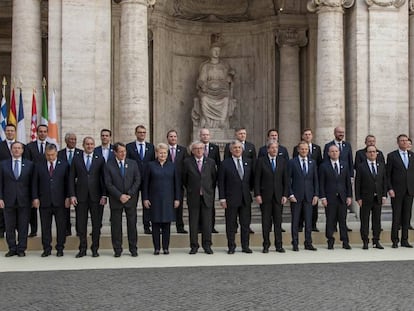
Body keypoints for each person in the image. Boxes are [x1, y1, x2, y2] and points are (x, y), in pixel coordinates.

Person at [69, 137, 107, 258]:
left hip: (96, 197)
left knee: (96, 224)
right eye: (87, 144)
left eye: (91, 144)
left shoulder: (100, 159)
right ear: (83, 145)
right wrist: (72, 195)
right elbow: (71, 178)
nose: (89, 146)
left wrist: (104, 195)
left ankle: (95, 248)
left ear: (94, 145)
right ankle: (82, 248)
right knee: (81, 224)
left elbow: (104, 178)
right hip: (81, 196)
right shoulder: (76, 158)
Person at [32, 144, 70, 257]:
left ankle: (60, 248)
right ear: (45, 154)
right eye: (48, 155)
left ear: (56, 153)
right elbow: (34, 183)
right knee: (45, 226)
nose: (50, 157)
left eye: (52, 155)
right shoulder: (39, 165)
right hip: (44, 201)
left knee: (61, 226)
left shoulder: (64, 165)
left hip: (60, 201)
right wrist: (35, 197)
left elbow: (68, 183)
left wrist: (68, 197)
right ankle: (47, 248)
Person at [143, 143, 180, 255]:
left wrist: (177, 198)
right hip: (154, 199)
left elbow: (177, 184)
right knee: (155, 224)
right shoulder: (150, 165)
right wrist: (145, 198)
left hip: (168, 199)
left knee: (166, 225)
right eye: (160, 152)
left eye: (164, 153)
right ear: (156, 153)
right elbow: (145, 184)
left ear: (167, 154)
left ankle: (166, 247)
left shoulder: (172, 166)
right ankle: (157, 248)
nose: (162, 154)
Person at [104, 142, 141, 257]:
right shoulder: (109, 165)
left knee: (132, 224)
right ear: (115, 152)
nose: (123, 154)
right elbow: (108, 183)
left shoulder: (132, 163)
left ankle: (133, 248)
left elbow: (137, 180)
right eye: (120, 151)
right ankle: (117, 249)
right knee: (116, 225)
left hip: (130, 199)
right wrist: (120, 195)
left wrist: (129, 194)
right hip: (116, 200)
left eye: (124, 151)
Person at [0, 142, 35, 257]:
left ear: (22, 150)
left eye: (19, 148)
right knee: (9, 226)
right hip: (8, 200)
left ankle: (21, 249)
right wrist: (0, 198)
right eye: (14, 148)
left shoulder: (29, 164)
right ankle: (12, 248)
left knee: (23, 226)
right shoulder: (3, 164)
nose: (16, 150)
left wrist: (34, 198)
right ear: (11, 150)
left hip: (24, 200)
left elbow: (32, 184)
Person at [219, 140, 254, 254]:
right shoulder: (225, 163)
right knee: (231, 224)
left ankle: (245, 246)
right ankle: (231, 246)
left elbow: (252, 180)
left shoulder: (248, 162)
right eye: (235, 148)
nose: (237, 149)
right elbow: (221, 183)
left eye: (239, 147)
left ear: (242, 149)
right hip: (231, 199)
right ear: (231, 150)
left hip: (245, 198)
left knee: (245, 224)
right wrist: (222, 198)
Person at [182, 141, 217, 255]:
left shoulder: (210, 162)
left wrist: (209, 191)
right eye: (196, 148)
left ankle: (207, 245)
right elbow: (184, 179)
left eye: (201, 148)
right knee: (193, 223)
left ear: (204, 150)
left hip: (207, 197)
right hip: (193, 196)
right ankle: (194, 245)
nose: (199, 150)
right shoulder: (187, 162)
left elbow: (214, 178)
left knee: (207, 223)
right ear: (192, 151)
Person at [254, 141, 288, 253]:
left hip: (278, 196)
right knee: (266, 222)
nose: (274, 150)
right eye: (272, 148)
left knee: (278, 222)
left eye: (276, 148)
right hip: (265, 196)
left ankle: (279, 245)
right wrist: (257, 194)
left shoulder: (282, 161)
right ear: (268, 149)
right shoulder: (261, 161)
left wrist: (285, 195)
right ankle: (266, 245)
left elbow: (285, 180)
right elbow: (257, 179)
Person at [192, 44, 236, 129]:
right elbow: (201, 79)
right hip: (209, 91)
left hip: (221, 90)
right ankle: (207, 121)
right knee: (204, 99)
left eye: (218, 51)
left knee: (226, 99)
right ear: (210, 52)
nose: (216, 53)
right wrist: (203, 85)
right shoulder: (206, 66)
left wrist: (230, 77)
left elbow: (228, 78)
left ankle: (222, 122)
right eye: (214, 50)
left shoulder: (224, 66)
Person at [319, 145, 352, 250]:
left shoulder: (344, 165)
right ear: (328, 153)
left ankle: (345, 241)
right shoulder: (324, 166)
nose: (334, 153)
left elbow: (348, 182)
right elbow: (321, 183)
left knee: (343, 220)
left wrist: (349, 196)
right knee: (330, 220)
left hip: (342, 197)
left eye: (336, 151)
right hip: (330, 197)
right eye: (332, 151)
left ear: (339, 152)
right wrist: (323, 197)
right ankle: (330, 240)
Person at [288, 141, 319, 251]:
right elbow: (288, 180)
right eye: (302, 149)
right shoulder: (292, 162)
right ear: (298, 150)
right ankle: (295, 243)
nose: (304, 151)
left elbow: (315, 179)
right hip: (296, 196)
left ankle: (308, 242)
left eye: (306, 149)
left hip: (309, 196)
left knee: (309, 221)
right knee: (295, 221)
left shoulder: (312, 162)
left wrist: (316, 194)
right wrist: (290, 194)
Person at [355, 145, 386, 250]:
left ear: (377, 153)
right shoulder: (361, 166)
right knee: (365, 220)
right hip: (365, 198)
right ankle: (365, 241)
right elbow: (357, 183)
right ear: (366, 154)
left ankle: (376, 241)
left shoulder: (381, 165)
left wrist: (384, 195)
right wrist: (358, 198)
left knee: (377, 221)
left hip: (378, 198)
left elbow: (384, 181)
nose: (372, 153)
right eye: (370, 152)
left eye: (374, 151)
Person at [126, 125, 155, 235]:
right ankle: (132, 226)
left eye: (143, 132)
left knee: (147, 203)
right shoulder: (129, 147)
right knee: (132, 204)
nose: (142, 134)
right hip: (133, 180)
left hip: (147, 180)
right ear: (136, 133)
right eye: (139, 132)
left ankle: (147, 226)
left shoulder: (151, 147)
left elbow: (152, 163)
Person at [386, 134, 414, 248]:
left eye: (406, 141)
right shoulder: (392, 156)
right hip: (396, 191)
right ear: (398, 142)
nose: (404, 142)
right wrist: (390, 188)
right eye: (402, 140)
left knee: (407, 216)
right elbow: (388, 175)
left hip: (409, 190)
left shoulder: (412, 155)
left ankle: (405, 240)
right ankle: (395, 240)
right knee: (396, 216)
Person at [292, 128, 322, 232]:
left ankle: (312, 227)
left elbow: (319, 164)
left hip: (310, 184)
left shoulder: (317, 149)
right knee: (297, 215)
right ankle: (299, 229)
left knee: (312, 212)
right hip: (299, 186)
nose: (308, 136)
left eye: (309, 134)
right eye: (306, 134)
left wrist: (316, 193)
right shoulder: (295, 153)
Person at [25, 124, 49, 238]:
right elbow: (27, 163)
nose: (42, 133)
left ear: (47, 133)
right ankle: (33, 230)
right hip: (32, 179)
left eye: (44, 131)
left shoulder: (51, 146)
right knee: (33, 206)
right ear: (37, 132)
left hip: (46, 181)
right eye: (40, 131)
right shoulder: (29, 146)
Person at [58, 132, 82, 237]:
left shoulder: (81, 153)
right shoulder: (59, 153)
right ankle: (67, 230)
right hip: (63, 186)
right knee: (65, 209)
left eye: (74, 139)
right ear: (66, 140)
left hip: (78, 186)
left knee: (80, 210)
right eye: (71, 139)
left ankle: (79, 230)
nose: (73, 141)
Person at [0, 124, 21, 238]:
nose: (9, 132)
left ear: (15, 132)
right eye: (7, 131)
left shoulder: (21, 146)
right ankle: (1, 231)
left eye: (12, 131)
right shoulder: (0, 145)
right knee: (3, 212)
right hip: (5, 182)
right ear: (5, 132)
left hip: (18, 185)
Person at [166, 129, 189, 234]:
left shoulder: (183, 150)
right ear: (167, 138)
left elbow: (186, 166)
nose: (173, 138)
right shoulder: (164, 150)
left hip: (179, 183)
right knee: (166, 205)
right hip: (166, 182)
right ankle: (165, 226)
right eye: (171, 136)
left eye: (174, 136)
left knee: (179, 206)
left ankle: (180, 227)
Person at [199, 128, 220, 233]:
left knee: (210, 206)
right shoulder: (196, 147)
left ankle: (211, 226)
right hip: (198, 183)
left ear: (209, 136)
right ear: (200, 136)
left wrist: (216, 181)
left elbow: (218, 164)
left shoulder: (214, 148)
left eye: (207, 135)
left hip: (210, 182)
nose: (205, 136)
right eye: (203, 135)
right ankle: (199, 227)